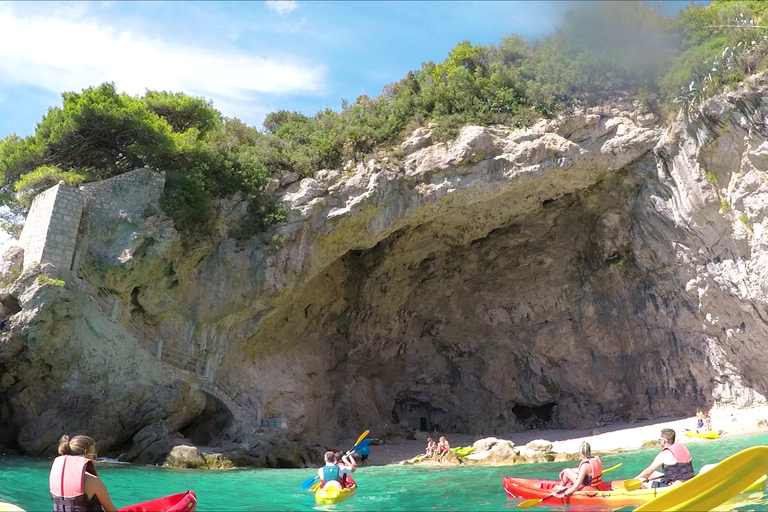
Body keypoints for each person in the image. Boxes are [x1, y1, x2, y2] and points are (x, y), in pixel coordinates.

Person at [49, 434, 118, 512]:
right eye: (93, 456)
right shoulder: (93, 481)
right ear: (86, 455)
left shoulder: (56, 478)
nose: (94, 460)